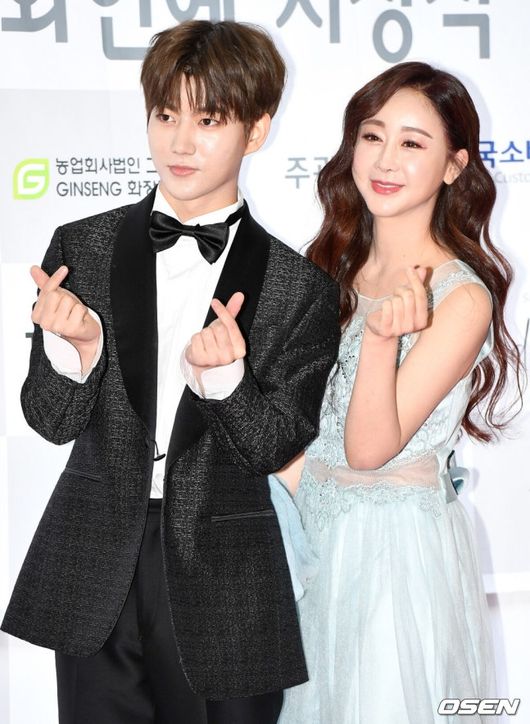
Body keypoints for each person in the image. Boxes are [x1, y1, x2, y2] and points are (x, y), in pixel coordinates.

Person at [1, 20, 341, 724]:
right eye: (165, 115)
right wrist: (76, 352)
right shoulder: (81, 247)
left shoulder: (298, 287)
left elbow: (277, 445)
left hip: (228, 576)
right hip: (96, 563)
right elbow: (50, 420)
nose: (180, 142)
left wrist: (227, 384)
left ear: (256, 129)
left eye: (208, 120)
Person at [278, 62, 522, 724]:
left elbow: (368, 450)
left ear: (454, 166)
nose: (386, 159)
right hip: (312, 543)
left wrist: (382, 341)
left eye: (413, 142)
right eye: (373, 135)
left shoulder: (460, 296)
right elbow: (306, 434)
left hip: (391, 558)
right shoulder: (332, 265)